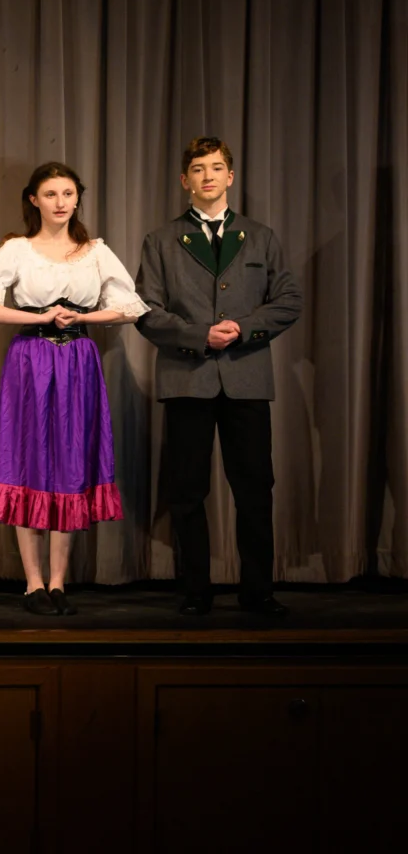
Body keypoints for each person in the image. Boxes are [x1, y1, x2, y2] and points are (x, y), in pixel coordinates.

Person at [0, 163, 147, 615]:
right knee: (27, 459)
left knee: (68, 461)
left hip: (78, 362)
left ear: (77, 199)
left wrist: (82, 317)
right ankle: (33, 583)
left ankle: (59, 582)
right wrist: (40, 318)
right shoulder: (16, 250)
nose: (61, 202)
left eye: (68, 193)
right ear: (34, 200)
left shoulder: (95, 251)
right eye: (51, 194)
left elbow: (130, 307)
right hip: (30, 360)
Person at [135, 136, 302, 617]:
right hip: (187, 378)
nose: (208, 176)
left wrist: (244, 329)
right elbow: (146, 310)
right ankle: (195, 590)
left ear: (230, 177)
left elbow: (288, 300)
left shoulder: (262, 237)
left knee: (254, 487)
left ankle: (258, 590)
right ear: (184, 181)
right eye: (198, 169)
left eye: (216, 168)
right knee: (187, 490)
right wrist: (198, 335)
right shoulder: (160, 240)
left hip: (246, 379)